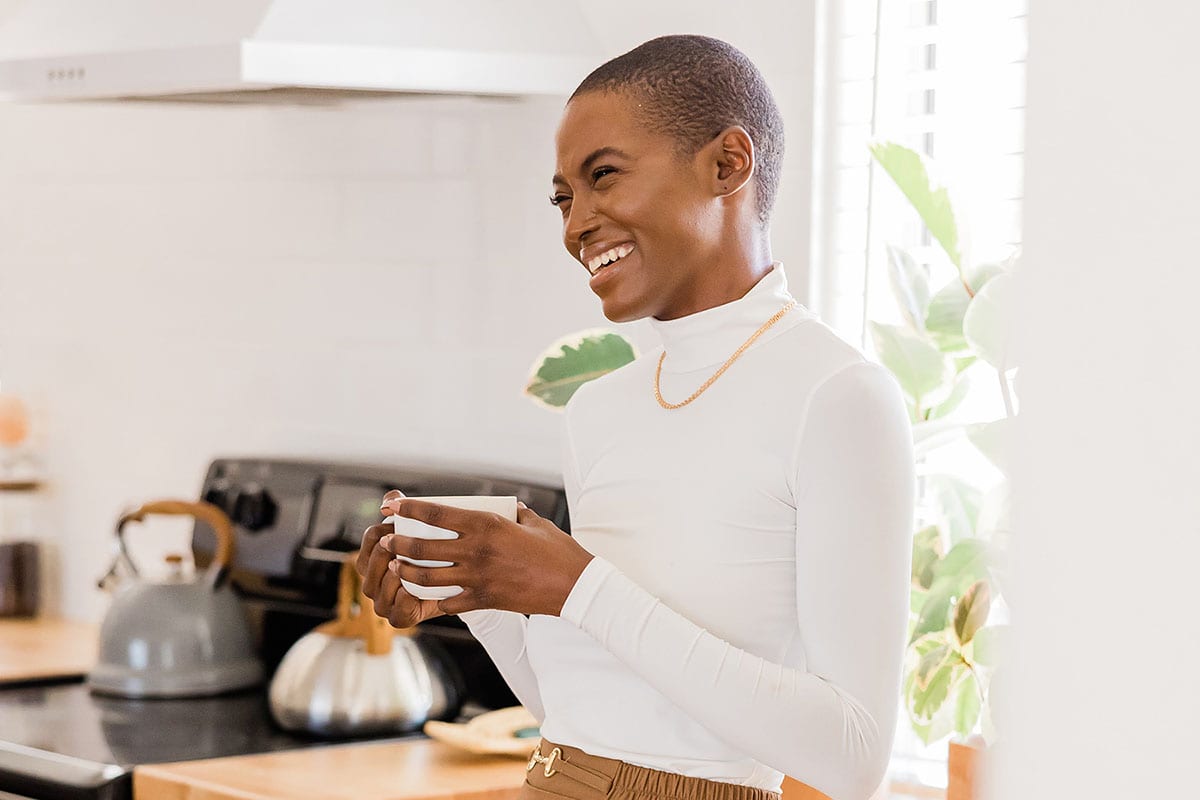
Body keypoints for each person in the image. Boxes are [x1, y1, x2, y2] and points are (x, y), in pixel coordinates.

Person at [357, 34, 914, 800]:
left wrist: (576, 586)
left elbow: (853, 758)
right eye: (563, 198)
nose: (576, 224)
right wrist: (476, 596)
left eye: (604, 177)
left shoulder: (840, 396)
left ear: (728, 165)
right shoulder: (600, 409)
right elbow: (581, 716)